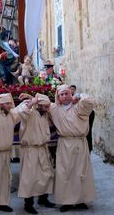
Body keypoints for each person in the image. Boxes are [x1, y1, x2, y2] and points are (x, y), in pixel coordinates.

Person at [49, 84, 96, 212]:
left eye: (67, 93)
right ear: (58, 97)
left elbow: (90, 101)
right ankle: (66, 201)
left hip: (79, 144)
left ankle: (81, 200)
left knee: (80, 172)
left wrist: (79, 96)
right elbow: (41, 102)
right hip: (64, 144)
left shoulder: (79, 108)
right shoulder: (54, 109)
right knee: (65, 173)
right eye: (61, 94)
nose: (64, 97)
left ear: (71, 94)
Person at [18, 93, 55, 214]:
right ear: (38, 105)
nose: (47, 109)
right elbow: (22, 111)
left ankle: (43, 199)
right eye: (44, 106)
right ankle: (28, 204)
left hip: (42, 148)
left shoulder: (44, 114)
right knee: (30, 177)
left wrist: (32, 97)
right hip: (30, 149)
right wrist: (32, 101)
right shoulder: (29, 113)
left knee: (46, 174)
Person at [70, 84, 95, 153]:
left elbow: (89, 100)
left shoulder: (90, 112)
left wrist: (80, 95)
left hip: (83, 137)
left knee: (88, 133)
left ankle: (88, 149)